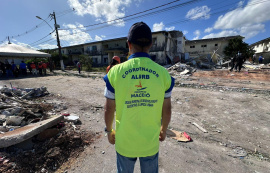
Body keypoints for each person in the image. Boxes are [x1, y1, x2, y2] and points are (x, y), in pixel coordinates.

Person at [103, 22, 175, 173]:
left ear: (129, 44)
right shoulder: (163, 73)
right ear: (151, 44)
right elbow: (167, 108)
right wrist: (164, 129)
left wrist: (109, 131)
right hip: (150, 143)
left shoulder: (115, 72)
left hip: (124, 143)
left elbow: (109, 108)